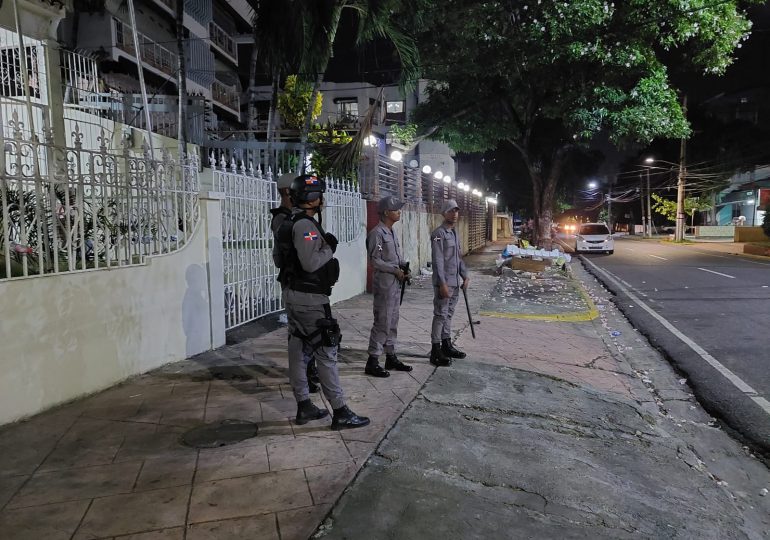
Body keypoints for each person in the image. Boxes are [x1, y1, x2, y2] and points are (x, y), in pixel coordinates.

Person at [275, 174, 370, 430]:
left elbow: (279, 260)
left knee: (298, 349)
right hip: (310, 300)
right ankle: (340, 411)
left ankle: (304, 405)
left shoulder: (285, 222)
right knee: (326, 351)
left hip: (293, 296)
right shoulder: (305, 226)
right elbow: (311, 263)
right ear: (314, 199)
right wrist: (329, 247)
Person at [271, 173, 320, 394]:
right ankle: (303, 377)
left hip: (305, 282)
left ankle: (308, 371)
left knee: (306, 334)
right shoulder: (284, 219)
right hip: (296, 282)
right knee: (300, 334)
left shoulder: (296, 217)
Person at [364, 195, 413, 378]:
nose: (399, 212)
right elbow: (375, 261)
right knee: (382, 322)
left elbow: (395, 258)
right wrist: (394, 270)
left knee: (393, 321)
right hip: (385, 284)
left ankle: (390, 356)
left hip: (395, 284)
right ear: (386, 212)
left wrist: (403, 267)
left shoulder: (391, 231)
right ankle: (373, 360)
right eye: (395, 209)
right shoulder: (377, 233)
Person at [429, 199, 470, 367]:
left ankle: (446, 344)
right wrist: (442, 283)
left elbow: (458, 258)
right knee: (440, 315)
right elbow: (438, 260)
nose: (454, 214)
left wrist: (465, 276)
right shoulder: (438, 234)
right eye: (451, 211)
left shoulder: (453, 233)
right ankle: (435, 349)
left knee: (449, 314)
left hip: (454, 281)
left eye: (456, 211)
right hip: (444, 282)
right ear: (444, 213)